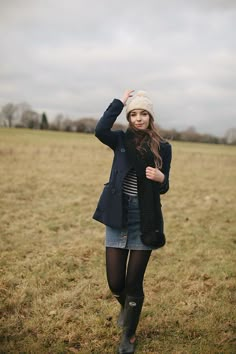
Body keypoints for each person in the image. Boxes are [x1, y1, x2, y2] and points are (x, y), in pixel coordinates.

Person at [93, 90, 172, 353]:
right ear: (129, 117)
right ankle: (129, 311)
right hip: (118, 214)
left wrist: (161, 179)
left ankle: (129, 334)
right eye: (134, 114)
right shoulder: (120, 140)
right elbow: (100, 128)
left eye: (144, 113)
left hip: (145, 217)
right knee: (116, 283)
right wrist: (120, 102)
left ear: (151, 116)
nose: (139, 118)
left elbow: (164, 186)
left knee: (133, 283)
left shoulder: (163, 147)